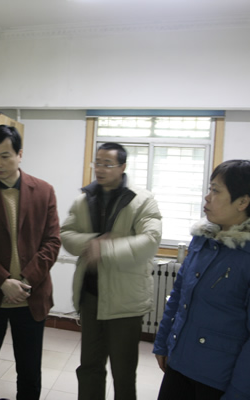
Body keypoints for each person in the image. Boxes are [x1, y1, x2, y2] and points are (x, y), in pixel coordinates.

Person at [153, 159, 250, 400]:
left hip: (220, 380)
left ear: (242, 202)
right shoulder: (204, 239)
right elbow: (179, 295)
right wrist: (163, 343)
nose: (207, 197)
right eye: (209, 189)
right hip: (180, 364)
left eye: (216, 191)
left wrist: (242, 394)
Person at [0, 124, 61, 400]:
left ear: (20, 154)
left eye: (5, 156)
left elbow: (52, 242)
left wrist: (25, 280)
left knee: (29, 372)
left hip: (31, 298)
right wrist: (2, 281)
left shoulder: (44, 191)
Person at [60, 142, 162, 400]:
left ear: (122, 166)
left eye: (108, 164)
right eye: (98, 162)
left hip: (124, 302)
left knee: (123, 372)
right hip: (90, 298)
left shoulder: (142, 200)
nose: (100, 169)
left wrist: (106, 249)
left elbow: (150, 241)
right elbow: (66, 234)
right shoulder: (84, 200)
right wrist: (93, 242)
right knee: (89, 367)